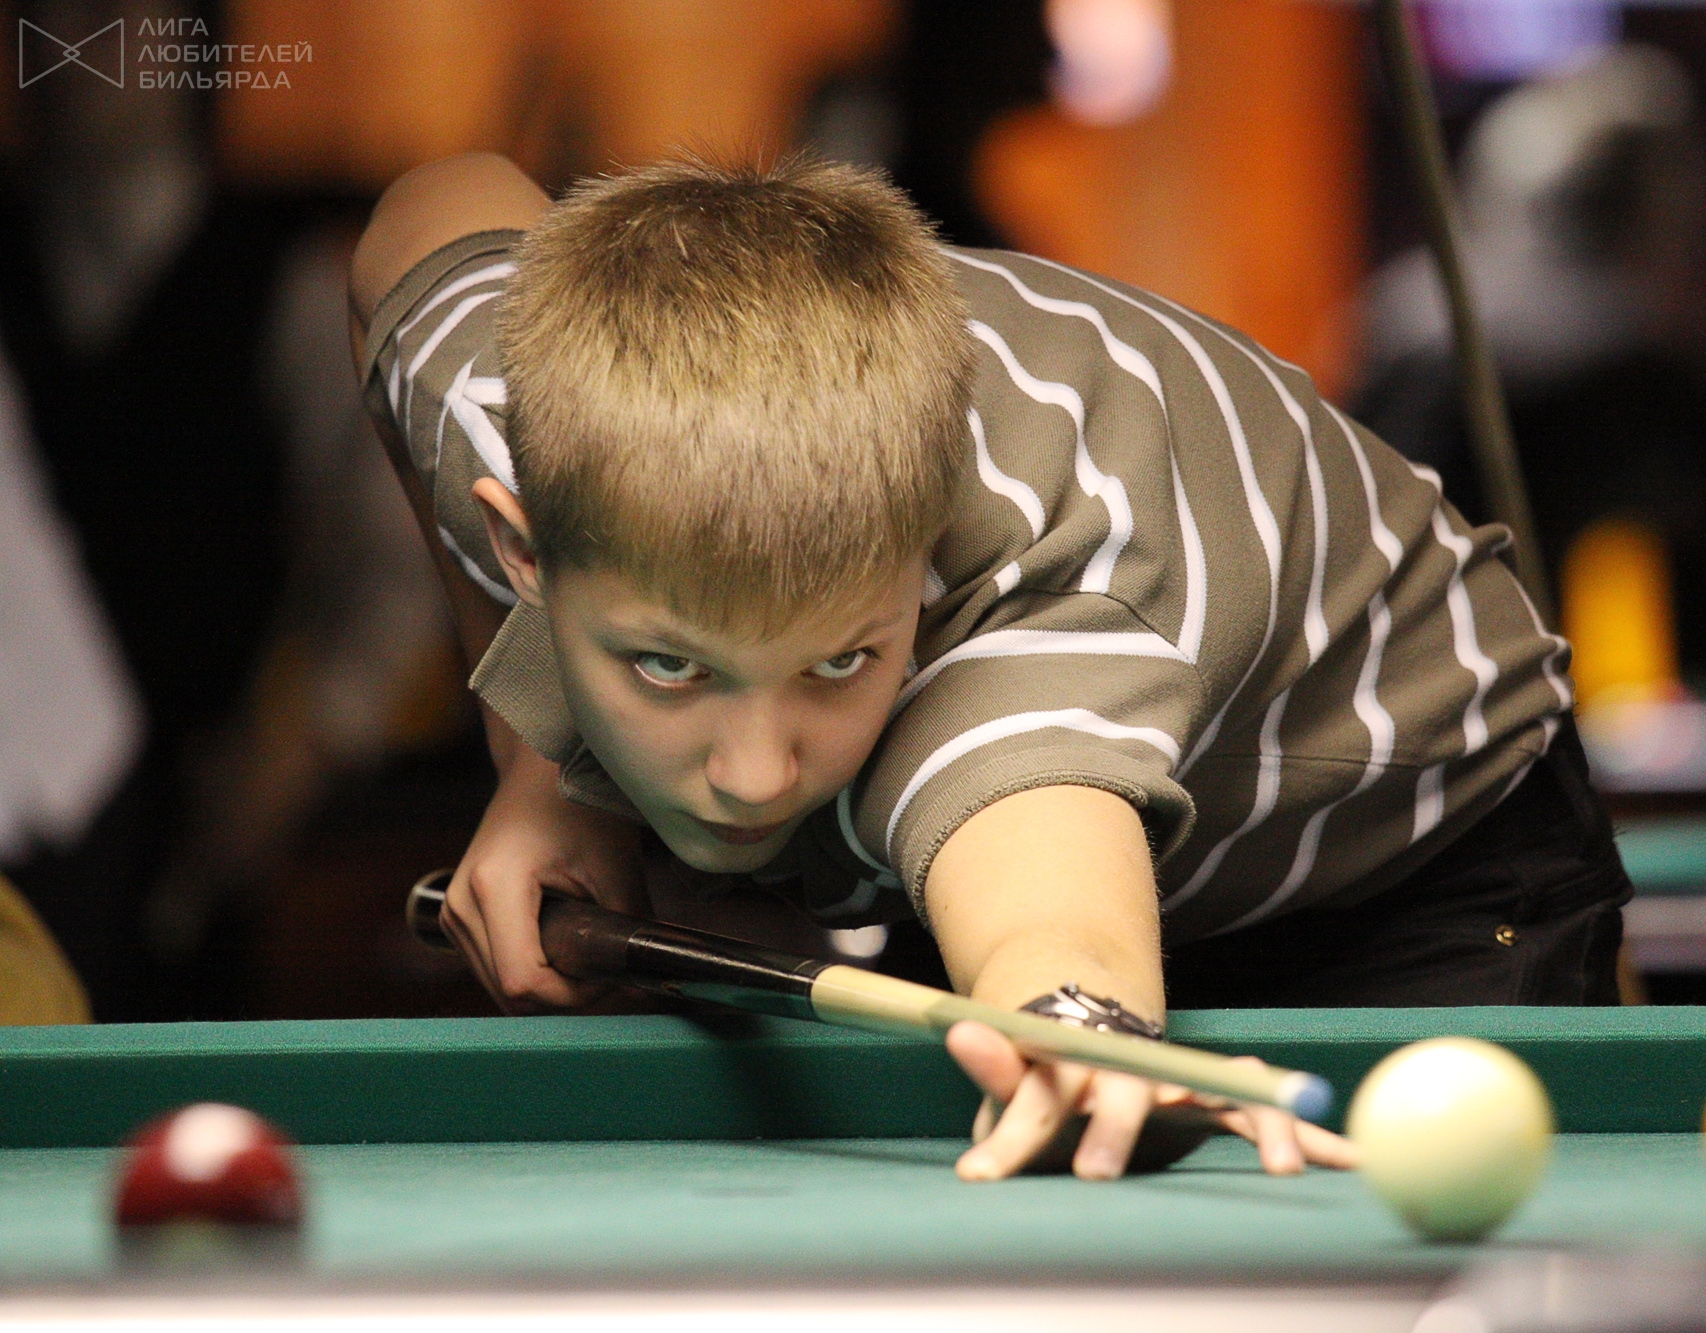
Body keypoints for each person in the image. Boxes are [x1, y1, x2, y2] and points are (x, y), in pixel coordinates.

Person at [347, 151, 1629, 1182]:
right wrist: (541, 764)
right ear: (525, 546)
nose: (754, 775)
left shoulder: (1041, 612)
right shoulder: (513, 394)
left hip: (1406, 864)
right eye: (668, 667)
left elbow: (1047, 922)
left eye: (838, 660)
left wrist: (1081, 1021)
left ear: (920, 553)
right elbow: (428, 214)